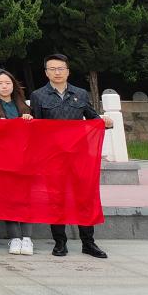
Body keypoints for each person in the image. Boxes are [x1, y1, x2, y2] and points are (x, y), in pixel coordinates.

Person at [30, 54, 112, 259]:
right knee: (56, 199)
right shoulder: (38, 95)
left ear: (68, 71)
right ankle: (60, 242)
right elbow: (36, 128)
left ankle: (88, 243)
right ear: (46, 72)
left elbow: (92, 118)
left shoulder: (80, 93)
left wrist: (104, 122)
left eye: (61, 68)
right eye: (52, 69)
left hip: (79, 156)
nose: (57, 72)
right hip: (52, 157)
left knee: (84, 198)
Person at [0, 71, 35, 255]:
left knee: (25, 199)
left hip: (24, 160)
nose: (4, 86)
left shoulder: (24, 106)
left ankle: (27, 238)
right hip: (2, 161)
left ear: (14, 85)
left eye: (8, 83)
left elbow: (35, 133)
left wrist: (29, 120)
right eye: (0, 83)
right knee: (9, 199)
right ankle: (14, 238)